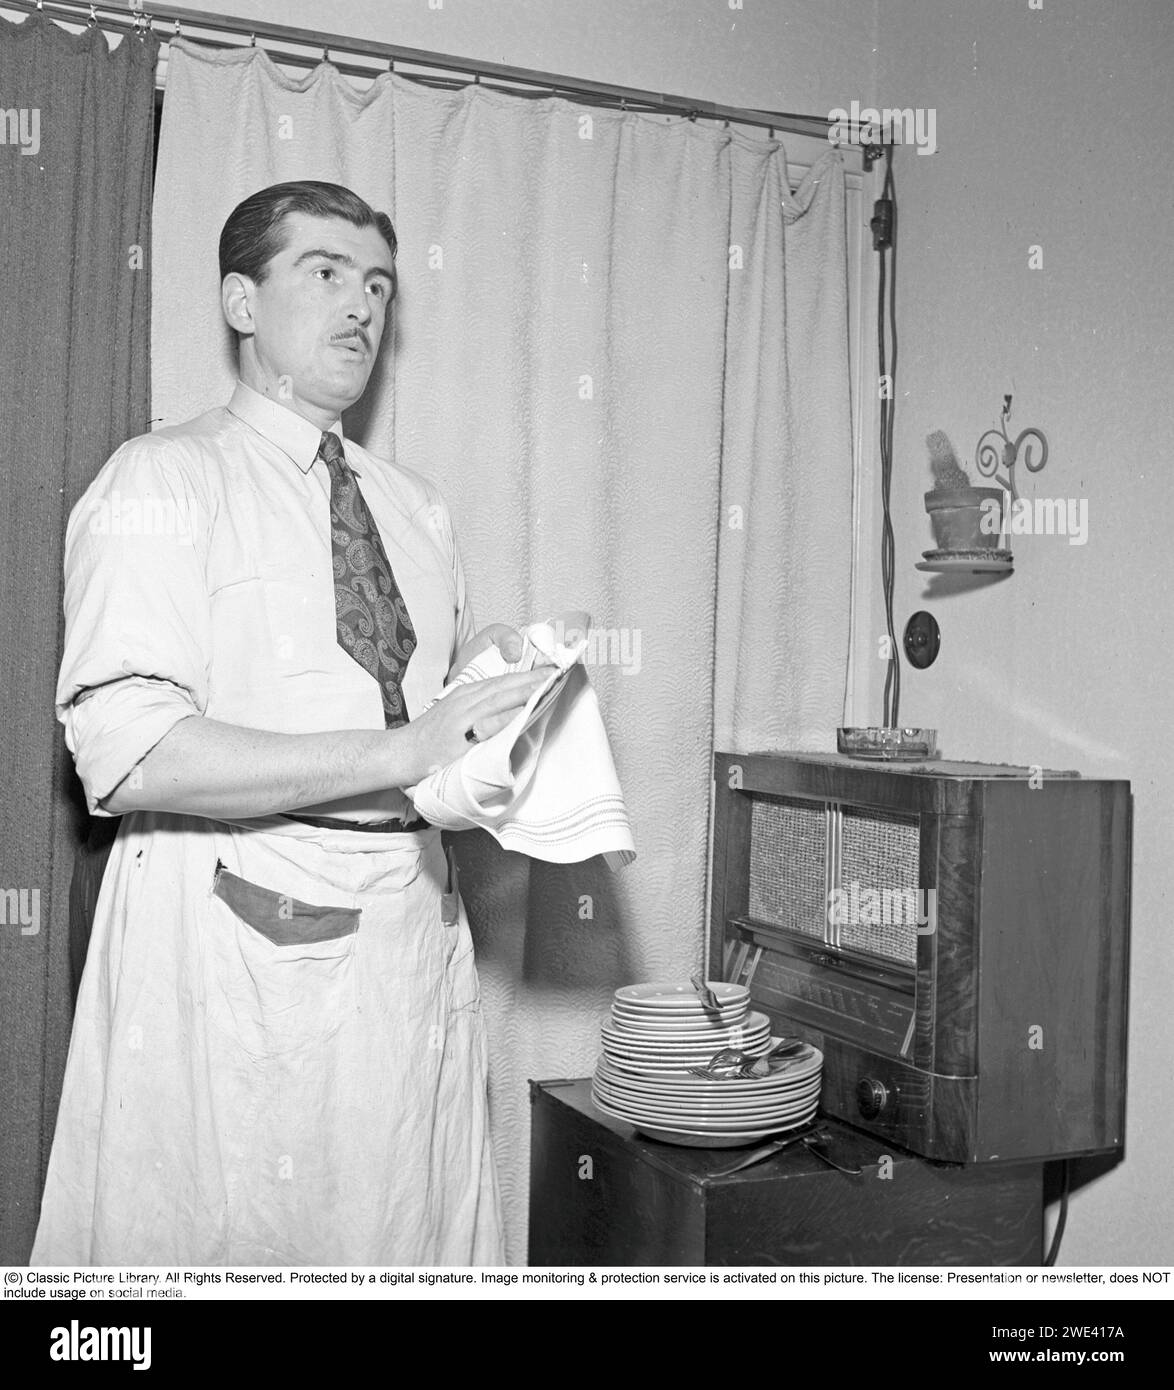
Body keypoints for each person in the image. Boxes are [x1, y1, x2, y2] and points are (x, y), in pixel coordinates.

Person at [31, 181, 549, 1266]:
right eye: (323, 273)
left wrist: (504, 702)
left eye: (375, 285)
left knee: (402, 1224)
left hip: (411, 937)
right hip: (234, 945)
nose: (359, 305)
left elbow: (430, 745)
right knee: (234, 1237)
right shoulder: (161, 480)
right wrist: (400, 751)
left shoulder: (418, 509)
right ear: (240, 301)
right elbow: (125, 751)